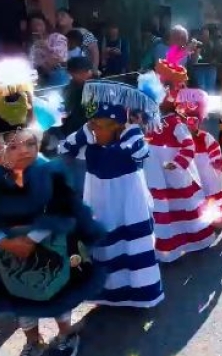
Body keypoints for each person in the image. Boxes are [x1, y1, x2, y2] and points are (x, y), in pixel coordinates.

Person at [0, 59, 105, 356]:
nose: (21, 151)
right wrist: (3, 240)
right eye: (11, 146)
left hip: (51, 249)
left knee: (60, 294)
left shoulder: (50, 173)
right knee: (20, 302)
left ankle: (65, 333)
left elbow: (64, 209)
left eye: (28, 144)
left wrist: (31, 239)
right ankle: (32, 339)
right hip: (9, 255)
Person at [58, 73, 165, 308]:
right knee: (105, 245)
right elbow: (63, 147)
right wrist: (85, 131)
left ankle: (140, 295)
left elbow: (140, 151)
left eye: (99, 126)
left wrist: (129, 130)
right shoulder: (91, 143)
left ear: (116, 126)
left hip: (128, 204)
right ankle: (109, 294)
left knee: (131, 246)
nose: (94, 130)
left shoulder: (130, 140)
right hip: (100, 204)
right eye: (92, 125)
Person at [144, 59, 216, 262]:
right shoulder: (151, 120)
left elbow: (188, 145)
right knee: (163, 208)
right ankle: (168, 249)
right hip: (155, 173)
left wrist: (177, 164)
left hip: (175, 174)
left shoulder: (176, 122)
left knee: (184, 206)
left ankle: (196, 241)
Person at [176, 88, 222, 230]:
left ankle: (218, 219)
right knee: (198, 197)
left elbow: (214, 148)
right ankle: (201, 222)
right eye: (187, 121)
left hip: (208, 171)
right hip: (193, 173)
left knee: (212, 195)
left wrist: (217, 162)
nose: (190, 124)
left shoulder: (205, 137)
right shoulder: (181, 139)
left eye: (194, 121)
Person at [62, 57, 94, 188]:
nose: (88, 74)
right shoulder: (68, 89)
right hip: (71, 133)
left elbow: (93, 114)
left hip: (88, 136)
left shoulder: (93, 89)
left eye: (87, 71)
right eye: (74, 73)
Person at [29, 14, 69, 88]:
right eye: (33, 25)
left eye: (39, 24)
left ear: (45, 24)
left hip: (57, 75)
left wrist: (46, 47)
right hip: (41, 77)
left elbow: (60, 59)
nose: (36, 28)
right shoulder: (34, 44)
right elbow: (32, 62)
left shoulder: (58, 37)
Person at [56, 8, 99, 77]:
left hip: (83, 73)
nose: (59, 18)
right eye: (57, 16)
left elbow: (94, 51)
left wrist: (94, 69)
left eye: (62, 15)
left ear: (71, 19)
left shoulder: (83, 32)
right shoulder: (56, 37)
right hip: (64, 75)